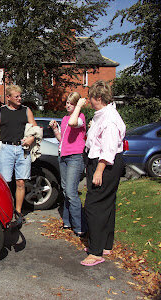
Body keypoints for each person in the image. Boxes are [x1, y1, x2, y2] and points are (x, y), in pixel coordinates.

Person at [80, 80, 126, 267]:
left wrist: (99, 170)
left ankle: (96, 252)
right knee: (106, 203)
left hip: (105, 165)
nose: (89, 100)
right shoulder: (103, 115)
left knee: (93, 206)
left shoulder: (110, 120)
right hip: (100, 163)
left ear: (98, 98)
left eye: (91, 97)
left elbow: (108, 150)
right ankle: (105, 245)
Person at [0, 85, 37, 216]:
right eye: (16, 96)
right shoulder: (1, 111)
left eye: (20, 96)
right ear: (8, 97)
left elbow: (36, 129)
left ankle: (18, 212)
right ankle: (6, 210)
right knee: (5, 182)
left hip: (23, 149)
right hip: (6, 149)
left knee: (20, 182)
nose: (20, 99)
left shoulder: (26, 110)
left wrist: (31, 138)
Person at [49, 92, 86, 237]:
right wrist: (55, 129)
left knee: (71, 192)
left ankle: (80, 226)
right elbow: (61, 139)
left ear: (77, 105)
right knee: (65, 191)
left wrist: (80, 106)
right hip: (63, 157)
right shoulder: (64, 119)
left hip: (75, 158)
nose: (68, 105)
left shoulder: (80, 118)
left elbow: (73, 123)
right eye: (67, 103)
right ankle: (68, 221)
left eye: (71, 103)